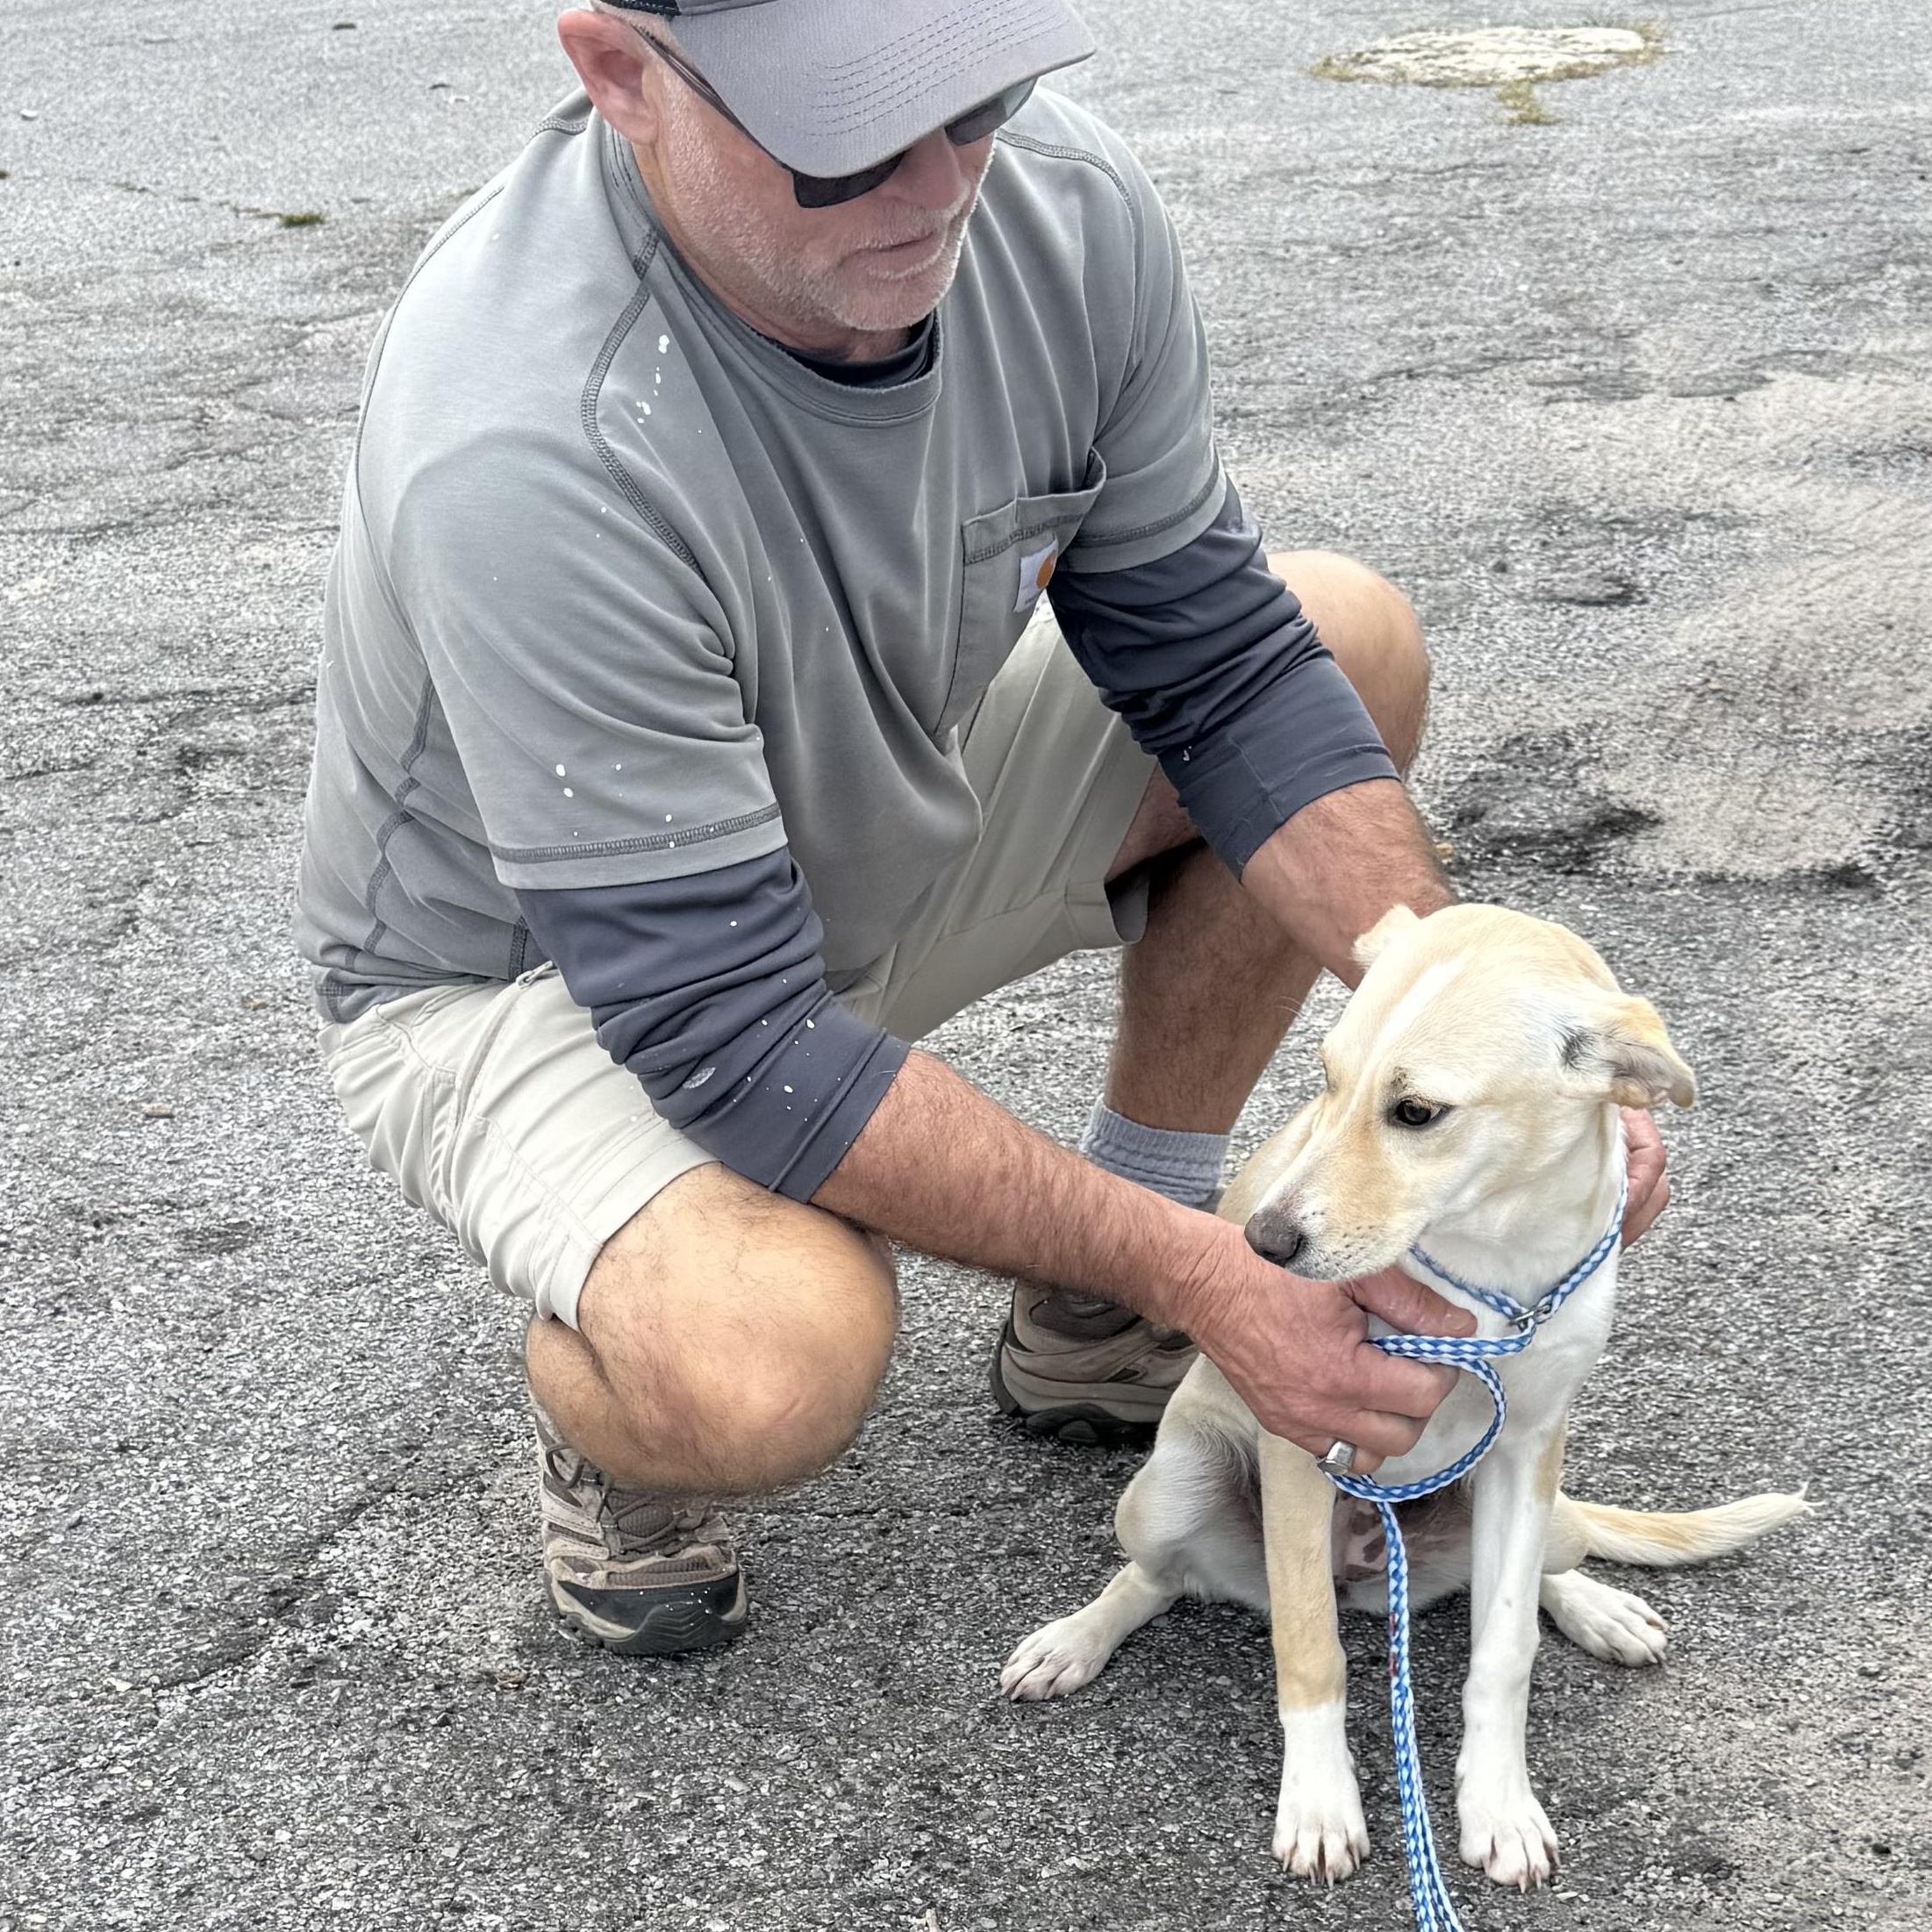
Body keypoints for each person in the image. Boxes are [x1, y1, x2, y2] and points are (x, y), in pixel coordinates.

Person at [297, 0, 1669, 1657]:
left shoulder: (1057, 209)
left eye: (977, 98)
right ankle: (613, 1398)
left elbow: (1217, 662)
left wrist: (1491, 1037)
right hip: (546, 972)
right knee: (763, 1358)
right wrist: (1223, 1277)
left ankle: (1096, 1312)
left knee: (1341, 642)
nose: (941, 183)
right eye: (851, 136)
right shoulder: (523, 432)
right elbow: (722, 1028)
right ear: (620, 73)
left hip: (850, 832)